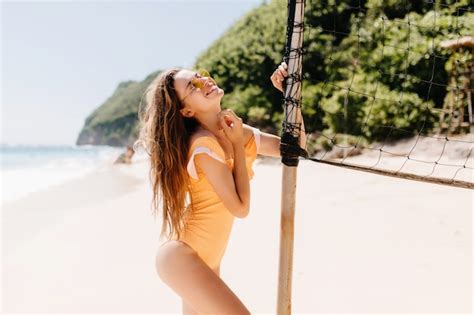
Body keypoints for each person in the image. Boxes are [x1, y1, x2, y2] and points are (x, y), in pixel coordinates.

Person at [135, 61, 296, 314]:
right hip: (182, 258)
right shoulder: (203, 146)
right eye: (193, 86)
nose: (204, 81)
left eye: (201, 76)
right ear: (186, 111)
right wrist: (237, 147)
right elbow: (241, 208)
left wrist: (290, 97)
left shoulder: (234, 131)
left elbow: (294, 148)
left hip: (207, 262)